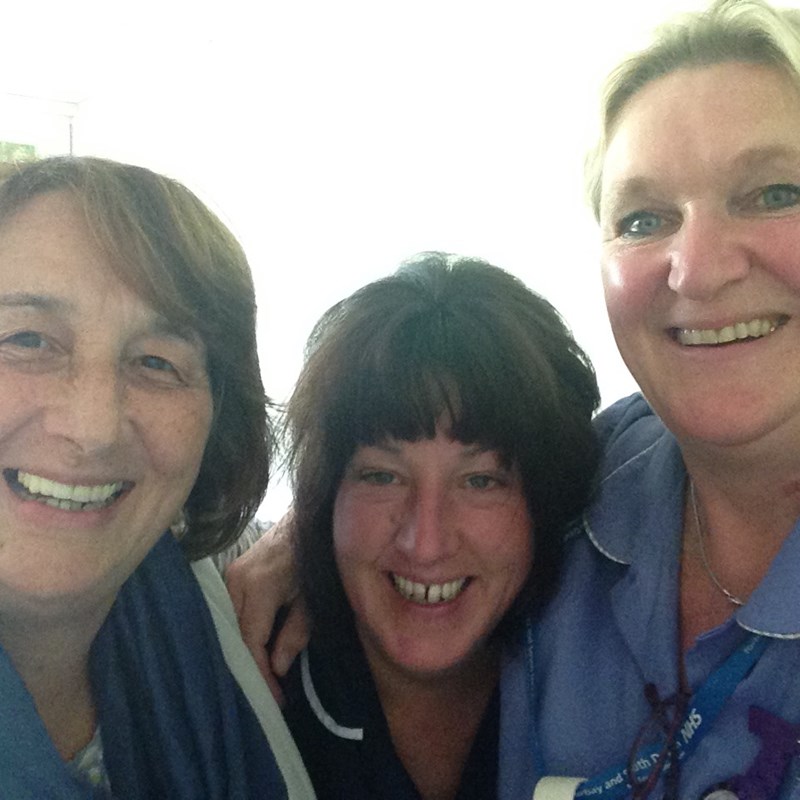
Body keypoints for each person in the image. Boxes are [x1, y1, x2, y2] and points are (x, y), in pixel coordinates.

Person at [229, 0, 800, 797]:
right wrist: (314, 539)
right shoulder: (603, 478)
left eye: (773, 193)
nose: (698, 269)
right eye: (644, 217)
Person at [0, 156, 314, 799]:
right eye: (27, 340)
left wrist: (317, 550)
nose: (93, 427)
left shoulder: (213, 590)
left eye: (156, 362)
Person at [274, 252, 599, 799]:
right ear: (326, 496)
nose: (425, 544)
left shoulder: (607, 678)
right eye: (381, 476)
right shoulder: (244, 690)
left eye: (481, 481)